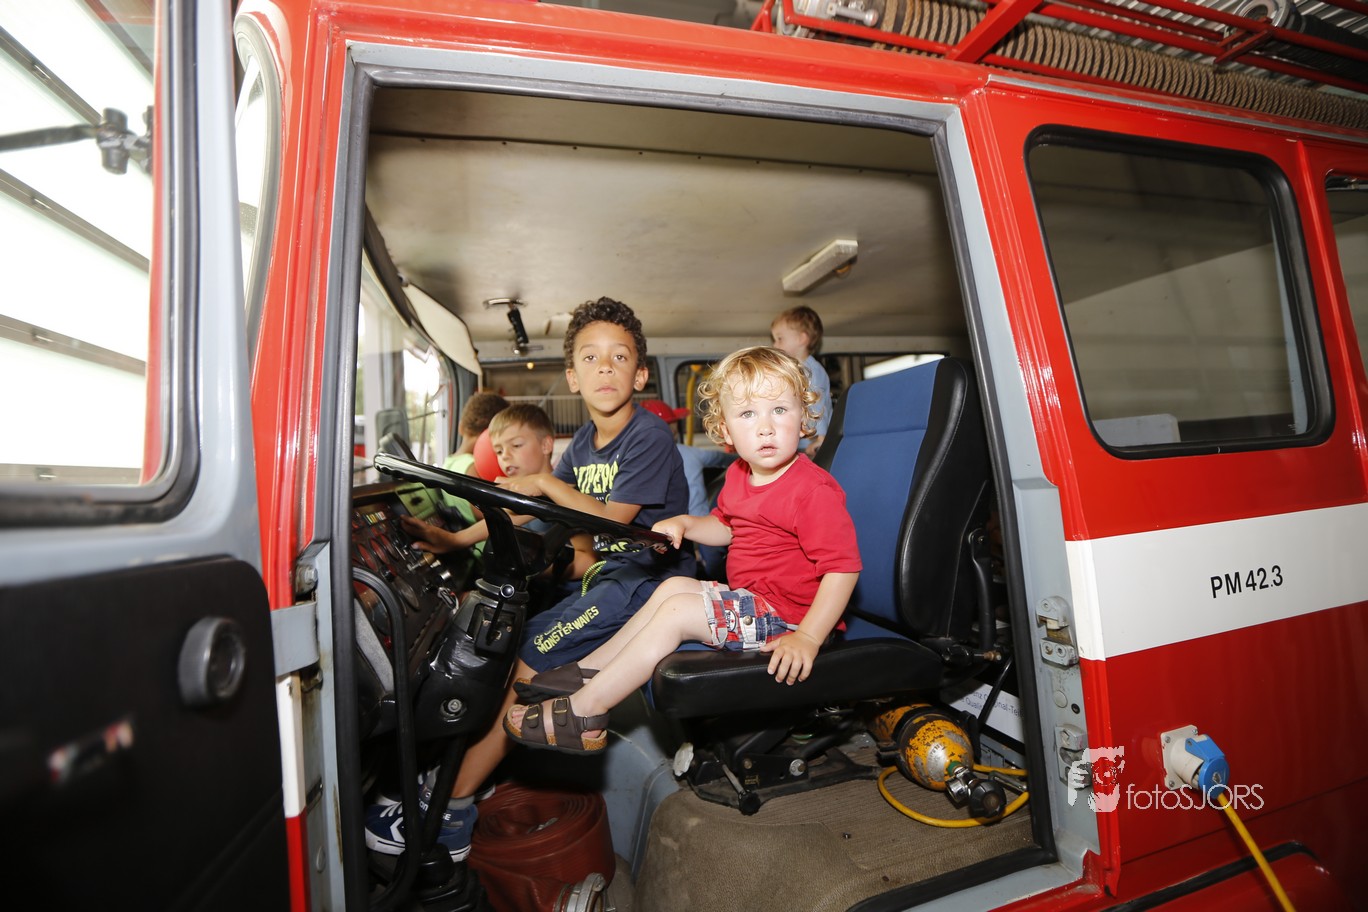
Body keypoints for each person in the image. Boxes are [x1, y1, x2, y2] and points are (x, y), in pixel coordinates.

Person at [365, 297, 692, 861]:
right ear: (573, 377)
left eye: (619, 357)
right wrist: (455, 541)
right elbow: (534, 510)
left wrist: (543, 482)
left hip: (646, 581)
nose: (605, 367)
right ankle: (467, 775)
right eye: (590, 358)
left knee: (527, 659)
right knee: (513, 640)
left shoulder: (648, 437)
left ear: (640, 375)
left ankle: (450, 810)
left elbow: (609, 518)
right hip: (608, 579)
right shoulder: (584, 444)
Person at [502, 346, 861, 754]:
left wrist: (809, 637)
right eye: (748, 414)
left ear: (804, 417)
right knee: (670, 588)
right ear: (726, 431)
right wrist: (687, 523)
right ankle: (589, 671)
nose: (765, 427)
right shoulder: (740, 474)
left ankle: (585, 713)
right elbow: (727, 527)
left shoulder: (812, 490)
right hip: (757, 601)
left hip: (790, 621)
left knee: (678, 612)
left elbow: (843, 568)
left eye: (779, 410)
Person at [402, 403, 597, 581]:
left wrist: (524, 568)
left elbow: (587, 559)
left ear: (546, 445)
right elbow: (506, 518)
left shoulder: (565, 494)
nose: (506, 456)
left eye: (516, 445)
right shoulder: (523, 498)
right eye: (499, 451)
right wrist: (454, 540)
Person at [436, 391, 509, 559]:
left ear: (461, 427)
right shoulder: (472, 468)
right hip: (488, 554)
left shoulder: (449, 464)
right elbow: (494, 515)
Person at [770, 305, 831, 454]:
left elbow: (818, 404)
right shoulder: (793, 370)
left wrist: (821, 438)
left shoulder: (811, 371)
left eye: (780, 338)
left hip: (811, 441)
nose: (775, 345)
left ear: (801, 339)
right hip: (796, 440)